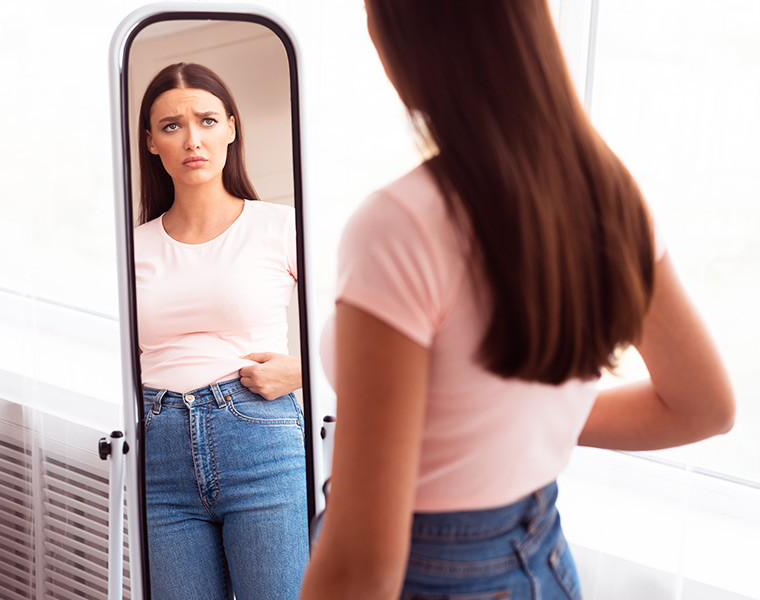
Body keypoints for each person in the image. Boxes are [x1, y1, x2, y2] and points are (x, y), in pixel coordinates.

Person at [300, 2, 735, 599]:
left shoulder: (399, 225)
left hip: (433, 574)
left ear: (400, 36)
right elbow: (703, 405)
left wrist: (518, 420)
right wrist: (524, 419)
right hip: (543, 561)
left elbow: (365, 565)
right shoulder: (607, 190)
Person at [133, 62, 308, 600]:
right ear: (151, 143)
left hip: (260, 441)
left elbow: (365, 332)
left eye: (207, 120)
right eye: (171, 126)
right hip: (158, 452)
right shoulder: (130, 247)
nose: (192, 140)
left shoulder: (280, 227)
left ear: (231, 127)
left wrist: (301, 373)